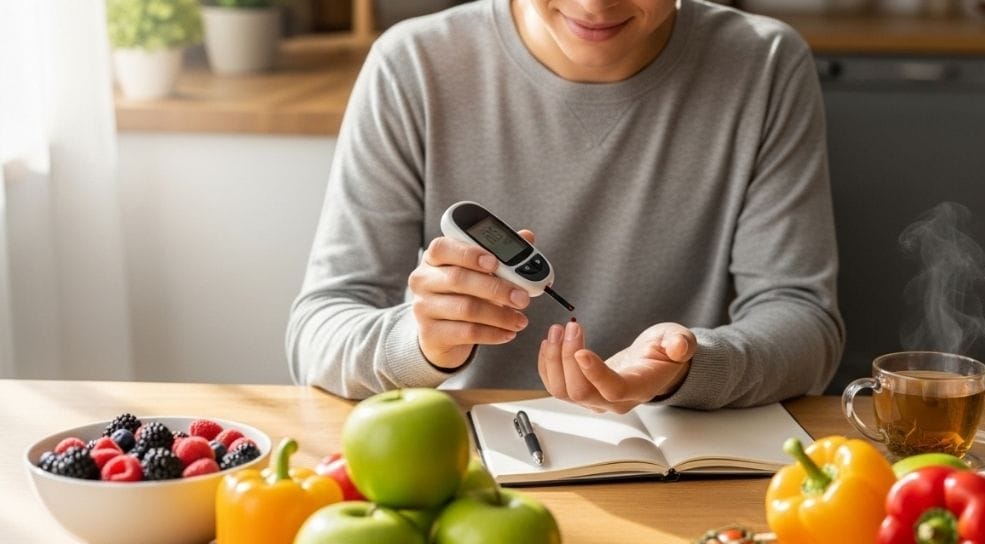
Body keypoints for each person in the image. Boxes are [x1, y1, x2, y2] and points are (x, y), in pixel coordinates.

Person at [286, 0, 844, 412]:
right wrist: (426, 342)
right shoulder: (413, 66)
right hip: (465, 465)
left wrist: (687, 367)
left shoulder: (765, 64)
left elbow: (806, 323)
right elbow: (319, 332)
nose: (595, 5)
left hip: (675, 461)